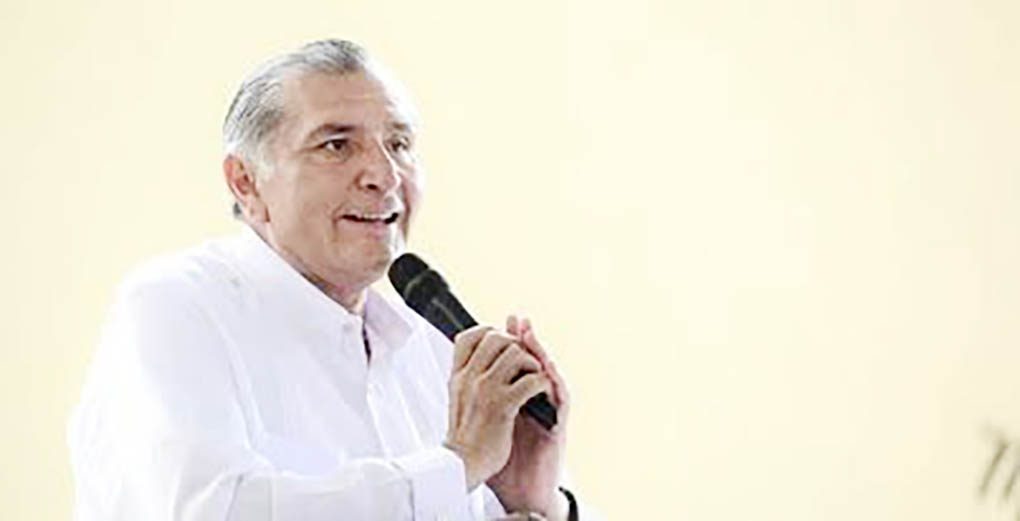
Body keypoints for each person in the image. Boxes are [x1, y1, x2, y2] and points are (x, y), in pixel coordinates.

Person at [67, 39, 591, 521]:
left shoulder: (436, 347)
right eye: (337, 145)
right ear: (246, 182)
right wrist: (457, 466)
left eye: (399, 144)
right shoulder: (175, 307)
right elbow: (210, 511)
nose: (384, 175)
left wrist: (536, 502)